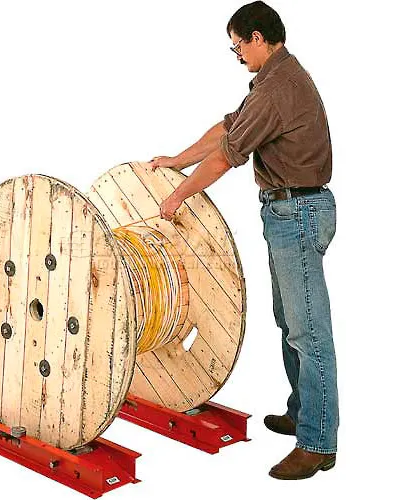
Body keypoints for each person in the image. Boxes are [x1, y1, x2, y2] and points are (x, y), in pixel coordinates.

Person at [150, 1, 339, 480]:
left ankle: (317, 442)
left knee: (308, 331)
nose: (237, 55)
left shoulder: (277, 89)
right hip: (287, 211)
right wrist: (176, 160)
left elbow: (225, 157)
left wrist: (177, 195)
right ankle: (304, 412)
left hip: (297, 211)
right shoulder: (274, 80)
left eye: (238, 46)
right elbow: (226, 130)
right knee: (290, 321)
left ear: (258, 37)